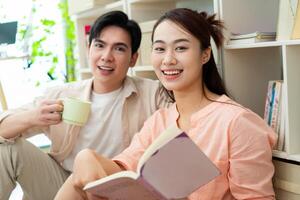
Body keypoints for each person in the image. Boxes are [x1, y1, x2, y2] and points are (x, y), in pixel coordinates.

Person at [54, 8, 277, 200]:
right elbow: (123, 168)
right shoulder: (160, 120)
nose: (168, 59)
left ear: (205, 55)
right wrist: (86, 157)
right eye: (160, 49)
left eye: (180, 48)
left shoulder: (238, 123)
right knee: (78, 179)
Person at [0, 11, 169, 200]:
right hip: (63, 184)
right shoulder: (62, 95)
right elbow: (2, 128)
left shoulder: (153, 94)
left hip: (117, 188)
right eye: (99, 45)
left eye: (119, 49)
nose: (106, 56)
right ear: (88, 48)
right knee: (7, 150)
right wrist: (33, 117)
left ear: (133, 59)